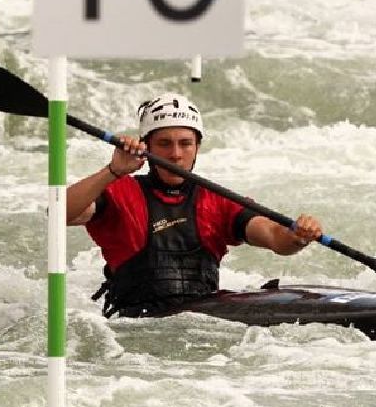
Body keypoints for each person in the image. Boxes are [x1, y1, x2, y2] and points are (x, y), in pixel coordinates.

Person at [66, 93, 324, 318]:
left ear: (197, 146)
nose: (176, 154)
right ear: (147, 147)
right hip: (134, 330)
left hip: (201, 329)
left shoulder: (217, 199)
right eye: (164, 144)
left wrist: (297, 236)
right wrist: (112, 171)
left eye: (185, 143)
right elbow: (60, 213)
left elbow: (275, 238)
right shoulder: (119, 192)